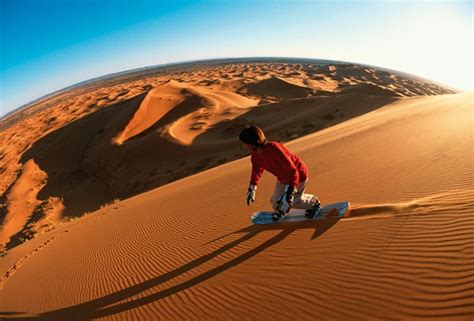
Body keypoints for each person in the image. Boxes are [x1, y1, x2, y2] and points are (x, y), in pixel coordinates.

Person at [239, 125, 321, 221]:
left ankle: (314, 203)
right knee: (275, 202)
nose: (244, 146)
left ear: (252, 143)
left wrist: (290, 191)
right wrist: (252, 188)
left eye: (245, 143)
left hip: (298, 176)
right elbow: (257, 170)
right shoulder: (255, 156)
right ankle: (283, 210)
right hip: (283, 178)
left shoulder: (274, 148)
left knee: (293, 201)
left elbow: (292, 169)